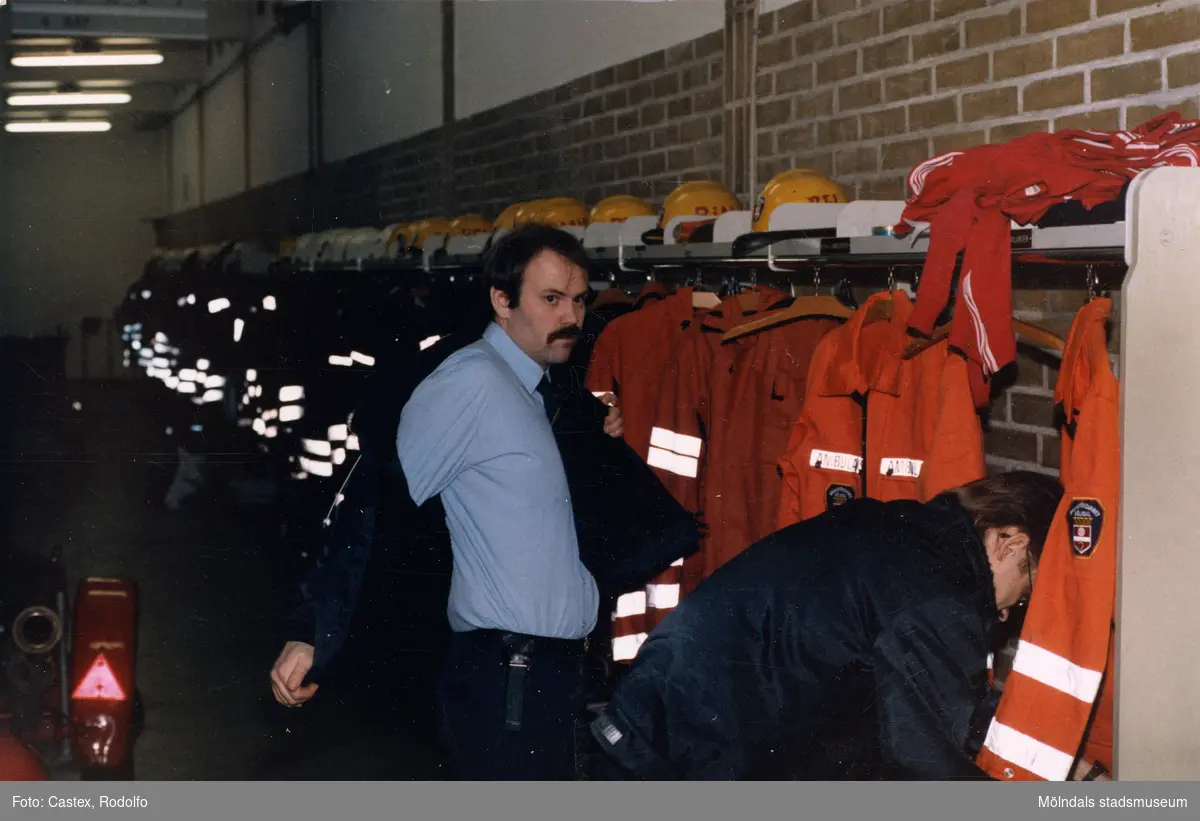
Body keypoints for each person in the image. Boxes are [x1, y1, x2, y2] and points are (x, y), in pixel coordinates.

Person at [269, 224, 625, 780]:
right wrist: (312, 628)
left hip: (550, 674)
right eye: (551, 299)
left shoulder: (536, 388)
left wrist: (590, 431)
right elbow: (371, 503)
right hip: (509, 675)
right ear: (501, 300)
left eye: (579, 300)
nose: (572, 317)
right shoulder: (471, 383)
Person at [589, 471, 1064, 781]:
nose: (1011, 612)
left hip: (660, 713)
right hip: (679, 747)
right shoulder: (938, 592)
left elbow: (923, 686)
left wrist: (1072, 770)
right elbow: (925, 762)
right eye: (1026, 591)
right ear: (1009, 543)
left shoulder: (909, 530)